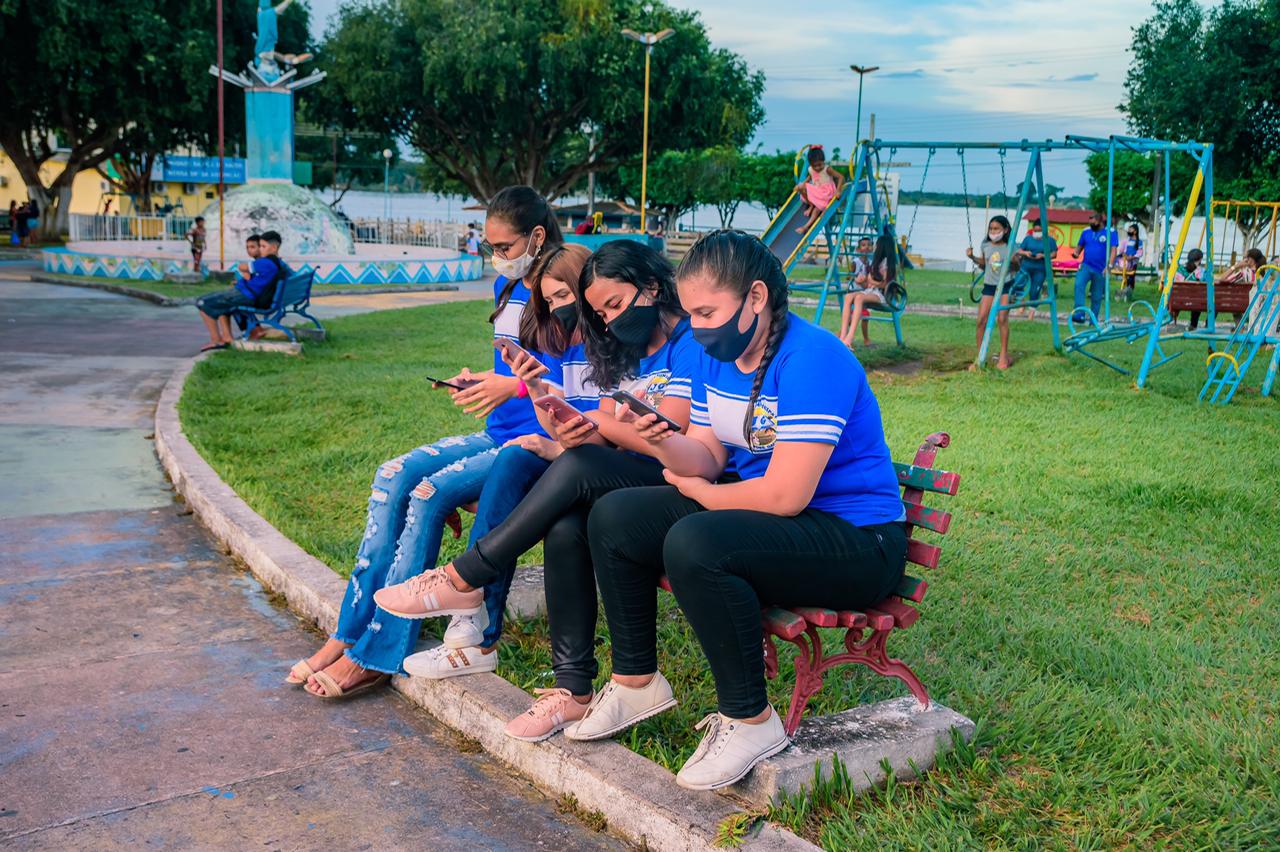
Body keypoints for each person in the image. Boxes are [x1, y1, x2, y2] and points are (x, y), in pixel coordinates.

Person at [552, 229, 906, 791]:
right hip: (781, 520)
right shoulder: (715, 358)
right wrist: (663, 439)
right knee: (616, 517)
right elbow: (707, 456)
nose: (695, 327)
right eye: (691, 313)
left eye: (707, 313)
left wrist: (707, 498)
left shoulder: (813, 358)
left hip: (857, 541)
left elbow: (785, 494)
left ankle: (750, 720)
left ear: (756, 297)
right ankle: (636, 682)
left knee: (697, 542)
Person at [372, 240, 702, 742]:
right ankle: (572, 690)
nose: (608, 320)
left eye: (611, 306)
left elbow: (665, 435)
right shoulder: (633, 344)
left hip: (678, 479)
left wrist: (592, 428)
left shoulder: (687, 346)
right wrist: (553, 407)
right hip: (629, 472)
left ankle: (465, 577)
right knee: (566, 524)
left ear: (652, 287)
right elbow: (605, 427)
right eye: (601, 312)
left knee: (576, 465)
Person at [288, 186, 568, 699]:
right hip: (496, 431)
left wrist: (513, 386)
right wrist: (480, 379)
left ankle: (378, 653)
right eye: (490, 248)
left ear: (536, 236)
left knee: (428, 494)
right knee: (392, 476)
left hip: (534, 442)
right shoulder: (506, 288)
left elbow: (576, 374)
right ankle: (349, 632)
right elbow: (512, 364)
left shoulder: (562, 289)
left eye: (504, 247)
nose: (496, 257)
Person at [400, 243, 599, 681]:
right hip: (574, 455)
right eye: (550, 301)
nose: (557, 308)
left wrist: (557, 446)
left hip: (600, 464)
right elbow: (559, 421)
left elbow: (614, 433)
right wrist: (536, 387)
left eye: (563, 296)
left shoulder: (618, 345)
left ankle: (462, 587)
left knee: (550, 503)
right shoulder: (564, 341)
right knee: (513, 457)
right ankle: (474, 630)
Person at [193, 230, 287, 351]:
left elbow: (242, 266)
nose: (260, 249)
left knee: (201, 302)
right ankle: (227, 338)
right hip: (250, 293)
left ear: (273, 248)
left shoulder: (265, 262)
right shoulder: (278, 262)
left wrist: (245, 270)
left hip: (247, 295)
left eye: (263, 246)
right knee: (220, 303)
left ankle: (216, 340)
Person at [966, 215, 1015, 370]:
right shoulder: (985, 244)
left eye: (996, 229)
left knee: (1002, 319)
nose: (993, 232)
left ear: (1005, 230)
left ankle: (1003, 356)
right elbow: (984, 264)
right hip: (989, 286)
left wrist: (1015, 261)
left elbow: (1017, 268)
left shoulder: (1010, 246)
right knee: (981, 320)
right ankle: (980, 357)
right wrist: (972, 257)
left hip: (1005, 285)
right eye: (991, 229)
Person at [841, 235, 896, 349]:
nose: (874, 247)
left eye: (876, 245)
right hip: (871, 291)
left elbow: (886, 284)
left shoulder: (887, 263)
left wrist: (872, 281)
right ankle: (843, 335)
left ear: (882, 247)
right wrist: (861, 282)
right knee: (848, 297)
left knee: (859, 298)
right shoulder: (875, 262)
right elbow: (868, 285)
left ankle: (850, 337)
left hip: (883, 295)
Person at [1070, 211, 1118, 323]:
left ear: (1100, 221)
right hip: (1086, 266)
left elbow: (1113, 250)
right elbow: (1079, 247)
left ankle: (1093, 320)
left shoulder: (1110, 232)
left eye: (1093, 223)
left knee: (1096, 296)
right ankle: (1079, 314)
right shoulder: (1086, 231)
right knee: (1078, 285)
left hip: (1101, 269)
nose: (1091, 225)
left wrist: (1110, 266)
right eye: (1090, 222)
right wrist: (1076, 253)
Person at [795, 146, 844, 236]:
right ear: (810, 164)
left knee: (817, 210)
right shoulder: (811, 169)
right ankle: (811, 205)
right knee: (801, 187)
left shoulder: (827, 169)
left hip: (826, 193)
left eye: (820, 165)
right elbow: (811, 176)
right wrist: (802, 184)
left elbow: (841, 177)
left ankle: (805, 227)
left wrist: (838, 191)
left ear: (823, 161)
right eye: (815, 166)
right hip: (818, 191)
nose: (817, 168)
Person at [1014, 218, 1057, 320]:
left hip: (1040, 268)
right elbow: (1019, 250)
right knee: (1018, 284)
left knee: (1035, 290)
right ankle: (1021, 303)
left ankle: (1031, 314)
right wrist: (1026, 253)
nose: (1037, 233)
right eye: (1035, 230)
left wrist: (1042, 255)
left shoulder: (1050, 240)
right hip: (1026, 266)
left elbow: (1054, 254)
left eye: (1039, 231)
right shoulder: (1028, 239)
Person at [839, 236, 873, 344]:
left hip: (864, 292)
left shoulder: (871, 263)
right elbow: (848, 276)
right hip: (853, 291)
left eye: (869, 245)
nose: (866, 247)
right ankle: (842, 335)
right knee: (852, 318)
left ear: (872, 248)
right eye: (863, 245)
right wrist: (856, 278)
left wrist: (865, 281)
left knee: (865, 316)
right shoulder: (855, 262)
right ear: (858, 249)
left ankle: (866, 339)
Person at [1171, 248, 1206, 330]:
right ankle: (1193, 325)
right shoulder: (1201, 272)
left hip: (1178, 301)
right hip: (1194, 302)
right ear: (1200, 259)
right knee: (1198, 299)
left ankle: (1169, 320)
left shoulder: (1179, 269)